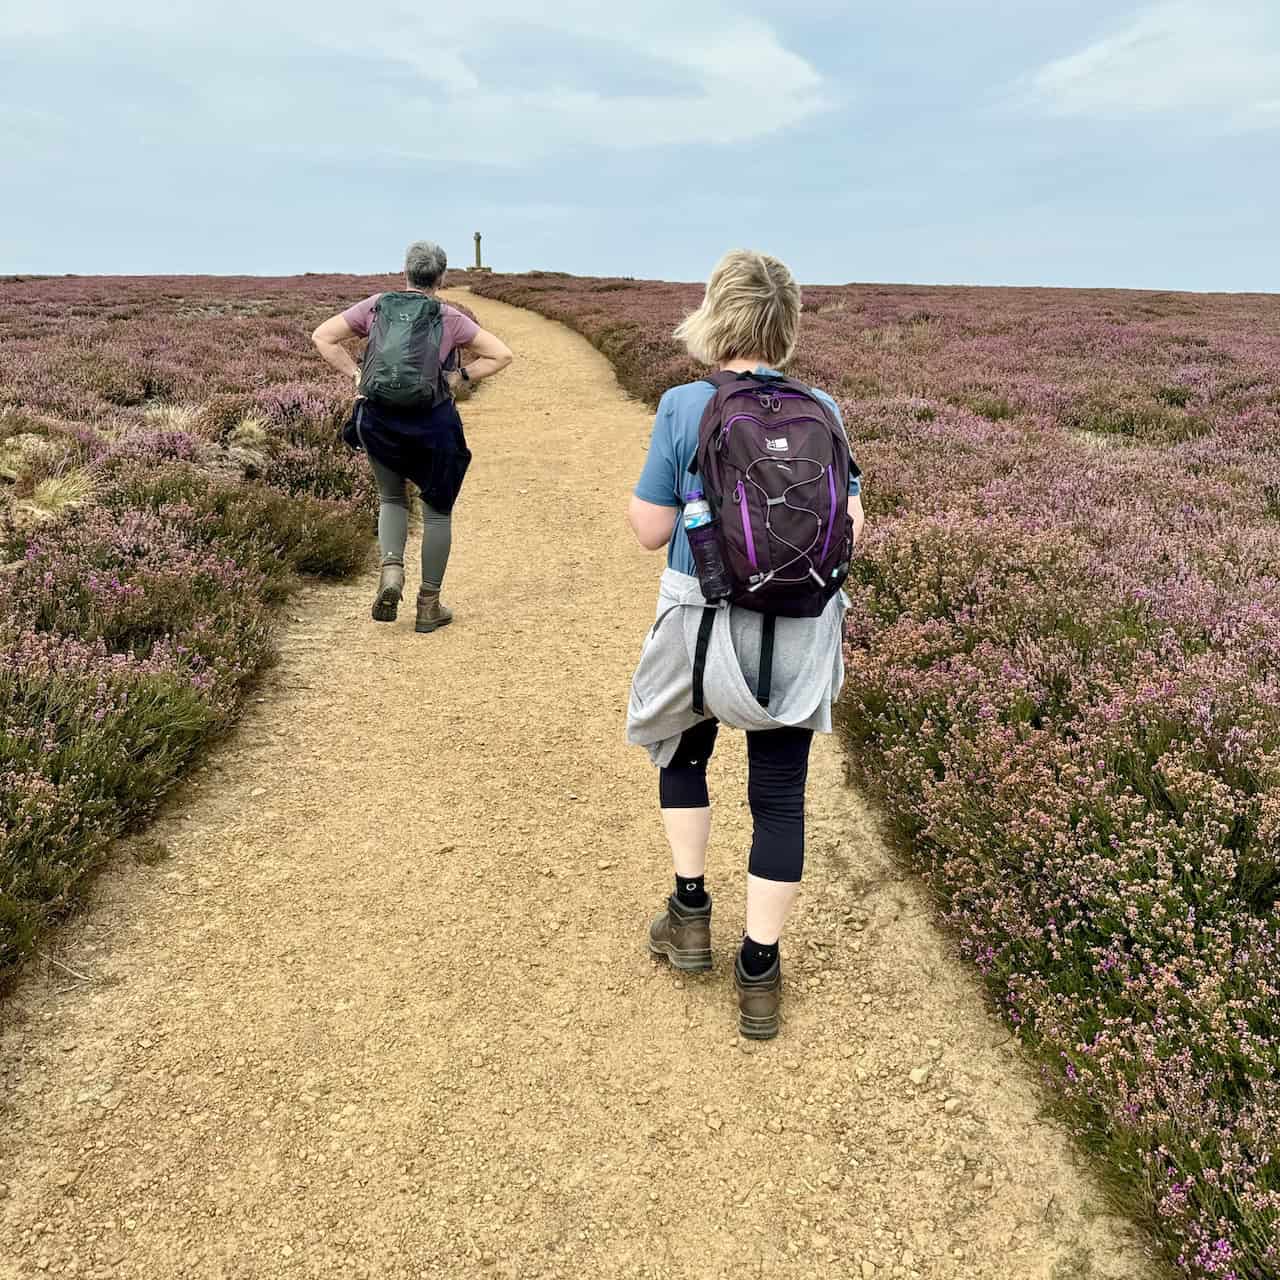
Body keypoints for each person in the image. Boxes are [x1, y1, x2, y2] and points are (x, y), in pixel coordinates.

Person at [626, 249, 865, 1040]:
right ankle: (759, 970)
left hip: (702, 622)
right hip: (798, 628)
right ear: (787, 323)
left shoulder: (683, 404)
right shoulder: (822, 406)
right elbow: (853, 528)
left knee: (684, 755)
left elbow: (651, 529)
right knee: (780, 795)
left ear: (714, 315)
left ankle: (690, 916)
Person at [311, 240, 513, 631]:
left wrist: (357, 375)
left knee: (391, 497)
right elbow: (502, 355)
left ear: (405, 272)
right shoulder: (449, 316)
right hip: (432, 425)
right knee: (437, 510)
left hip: (378, 421)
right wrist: (461, 376)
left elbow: (323, 336)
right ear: (441, 278)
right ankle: (428, 605)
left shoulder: (375, 306)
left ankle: (390, 572)